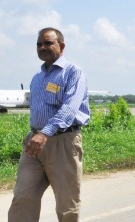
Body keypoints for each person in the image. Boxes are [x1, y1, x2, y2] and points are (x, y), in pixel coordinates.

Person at [8, 27, 90, 222]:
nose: (42, 47)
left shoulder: (73, 73)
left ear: (61, 46)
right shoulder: (37, 78)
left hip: (62, 142)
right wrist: (36, 134)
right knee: (23, 197)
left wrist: (44, 133)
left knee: (67, 204)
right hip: (34, 144)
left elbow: (69, 109)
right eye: (39, 44)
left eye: (48, 43)